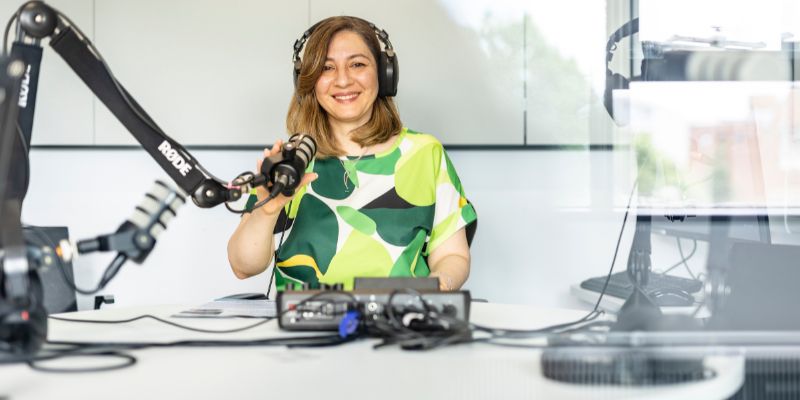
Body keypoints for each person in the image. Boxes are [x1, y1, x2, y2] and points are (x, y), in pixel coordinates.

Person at [227, 16, 476, 292]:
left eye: (357, 64)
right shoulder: (290, 164)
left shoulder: (424, 153)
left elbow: (453, 256)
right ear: (307, 81)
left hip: (400, 324)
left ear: (384, 74)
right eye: (326, 68)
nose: (343, 80)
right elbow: (243, 266)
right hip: (307, 328)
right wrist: (267, 209)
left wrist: (429, 293)